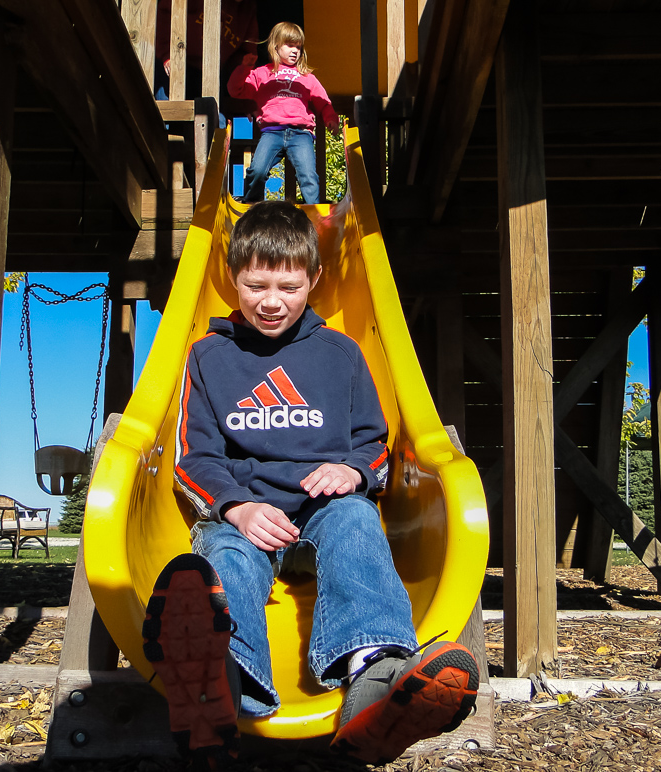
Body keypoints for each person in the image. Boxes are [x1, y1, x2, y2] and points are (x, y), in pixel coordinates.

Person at [142, 201, 479, 768]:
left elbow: (374, 442)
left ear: (315, 281)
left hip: (323, 508)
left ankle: (375, 683)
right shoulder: (208, 356)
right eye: (256, 285)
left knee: (355, 522)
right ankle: (218, 682)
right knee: (225, 559)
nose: (271, 301)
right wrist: (236, 509)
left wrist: (352, 471)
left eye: (288, 286)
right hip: (250, 515)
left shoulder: (340, 354)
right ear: (232, 278)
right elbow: (194, 456)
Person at [227, 22, 340, 204]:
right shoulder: (262, 74)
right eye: (289, 45)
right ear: (276, 46)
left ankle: (314, 210)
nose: (295, 50)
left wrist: (331, 118)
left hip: (301, 134)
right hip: (272, 132)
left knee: (308, 175)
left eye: (298, 47)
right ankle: (252, 205)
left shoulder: (307, 77)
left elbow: (323, 101)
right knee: (257, 170)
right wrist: (244, 69)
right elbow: (235, 89)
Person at [154, 0, 259, 126]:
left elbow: (245, 54)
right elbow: (164, 14)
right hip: (175, 65)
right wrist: (166, 54)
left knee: (215, 121)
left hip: (209, 72)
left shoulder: (246, 10)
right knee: (168, 116)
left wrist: (245, 101)